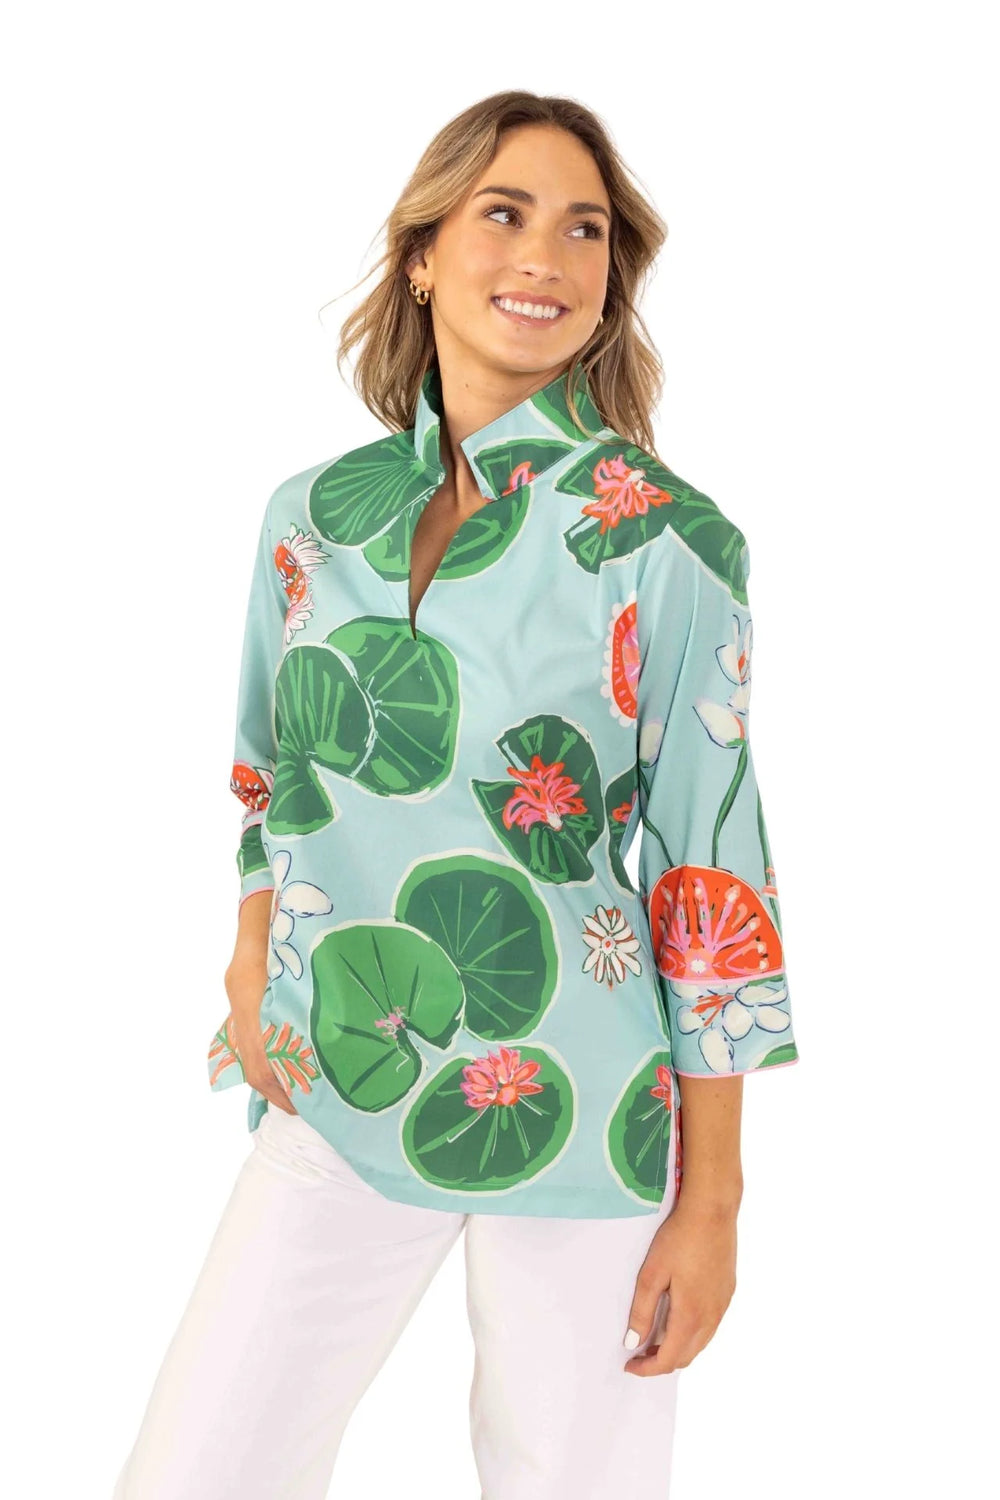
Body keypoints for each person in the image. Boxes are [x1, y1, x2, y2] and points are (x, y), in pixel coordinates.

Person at [112, 89, 800, 1500]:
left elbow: (710, 871)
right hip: (337, 1075)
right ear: (422, 253)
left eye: (585, 230)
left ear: (612, 280)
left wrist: (715, 1200)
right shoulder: (316, 518)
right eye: (504, 213)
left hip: (586, 1106)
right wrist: (249, 956)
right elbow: (269, 772)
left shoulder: (668, 541)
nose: (545, 256)